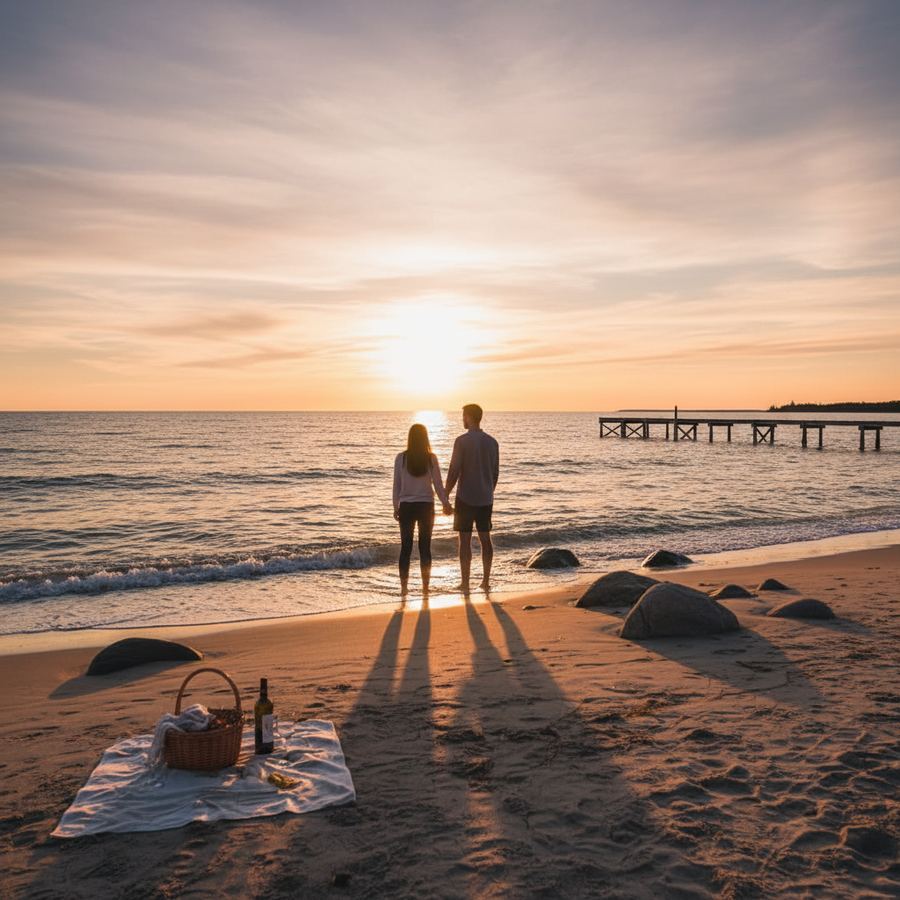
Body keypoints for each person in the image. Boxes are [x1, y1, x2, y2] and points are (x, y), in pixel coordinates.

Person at [445, 403, 499, 594]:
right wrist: (488, 490)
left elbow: (454, 471)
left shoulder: (461, 441)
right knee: (486, 538)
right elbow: (495, 473)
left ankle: (465, 582)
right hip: (485, 498)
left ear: (469, 416)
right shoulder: (492, 442)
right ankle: (485, 581)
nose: (462, 419)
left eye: (463, 416)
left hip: (465, 498)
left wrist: (445, 495)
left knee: (464, 541)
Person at [392, 423, 452, 595]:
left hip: (407, 507)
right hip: (426, 507)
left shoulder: (401, 458)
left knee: (406, 548)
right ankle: (425, 588)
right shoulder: (431, 458)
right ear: (426, 437)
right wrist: (446, 504)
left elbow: (396, 486)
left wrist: (396, 506)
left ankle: (404, 588)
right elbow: (439, 486)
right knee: (425, 548)